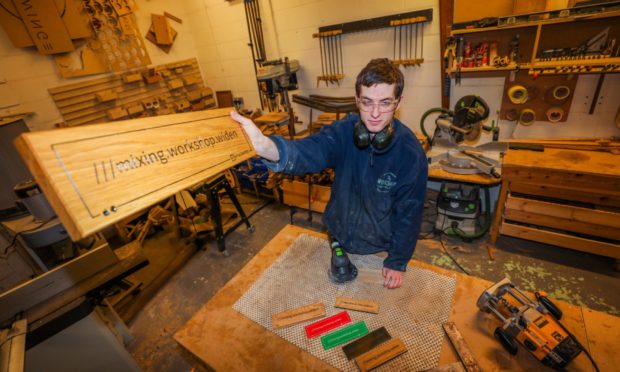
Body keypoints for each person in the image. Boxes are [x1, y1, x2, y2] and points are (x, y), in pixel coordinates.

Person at [230, 58, 427, 289]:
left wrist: (397, 260)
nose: (375, 113)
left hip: (379, 246)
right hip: (337, 234)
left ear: (398, 102)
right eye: (367, 102)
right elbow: (310, 150)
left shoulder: (410, 153)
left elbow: (409, 214)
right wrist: (266, 147)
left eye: (385, 103)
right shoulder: (343, 132)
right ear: (356, 100)